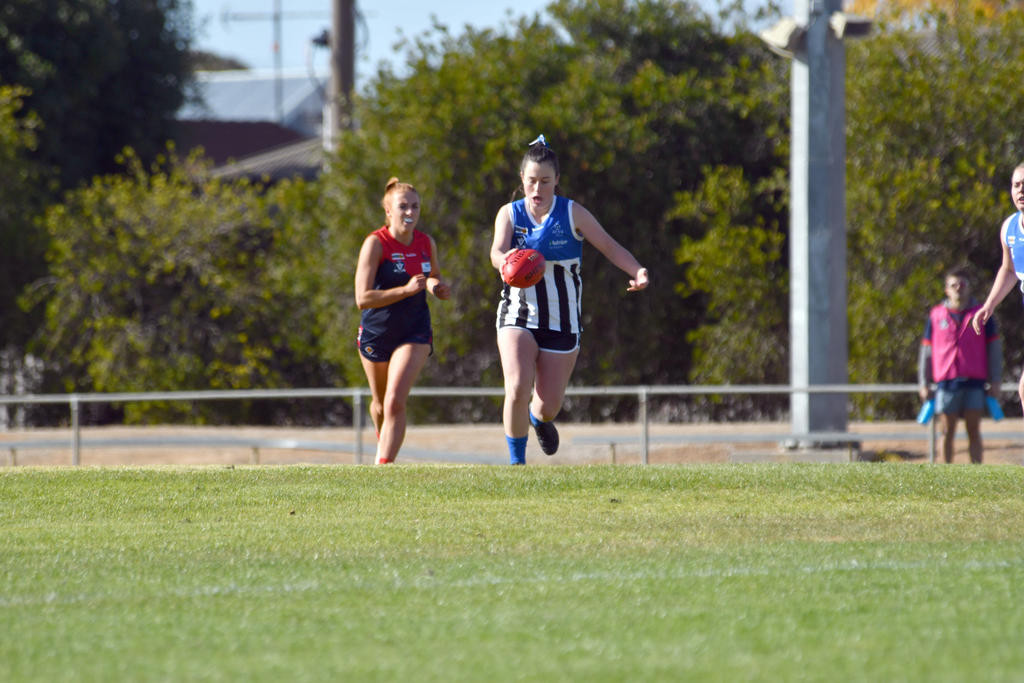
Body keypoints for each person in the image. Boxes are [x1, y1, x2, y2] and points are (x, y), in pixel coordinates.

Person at [490, 135, 649, 465]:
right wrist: (507, 261)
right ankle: (516, 467)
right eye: (532, 181)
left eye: (545, 181)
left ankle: (539, 419)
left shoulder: (572, 213)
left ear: (557, 181)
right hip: (517, 314)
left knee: (548, 406)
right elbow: (496, 251)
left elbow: (609, 246)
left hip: (562, 321)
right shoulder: (510, 214)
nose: (537, 189)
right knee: (517, 386)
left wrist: (638, 270)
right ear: (522, 180)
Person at [355, 177, 450, 464]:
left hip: (414, 331)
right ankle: (382, 439)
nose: (410, 213)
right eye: (403, 207)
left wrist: (437, 287)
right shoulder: (375, 244)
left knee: (396, 400)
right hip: (376, 333)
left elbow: (432, 275)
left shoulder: (425, 243)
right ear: (388, 212)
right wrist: (405, 290)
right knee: (382, 405)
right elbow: (363, 298)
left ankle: (383, 467)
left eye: (415, 207)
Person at [918, 268, 1002, 464]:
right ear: (946, 289)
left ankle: (976, 472)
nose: (958, 289)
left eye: (962, 285)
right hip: (947, 382)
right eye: (954, 285)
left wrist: (995, 379)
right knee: (946, 431)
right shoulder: (936, 315)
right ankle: (946, 472)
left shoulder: (982, 314)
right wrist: (923, 382)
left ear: (969, 288)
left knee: (973, 430)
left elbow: (994, 350)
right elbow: (926, 353)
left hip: (974, 381)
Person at [974, 162, 1024, 421]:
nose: (1021, 191)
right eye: (1017, 185)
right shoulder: (1010, 228)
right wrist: (989, 305)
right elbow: (1008, 269)